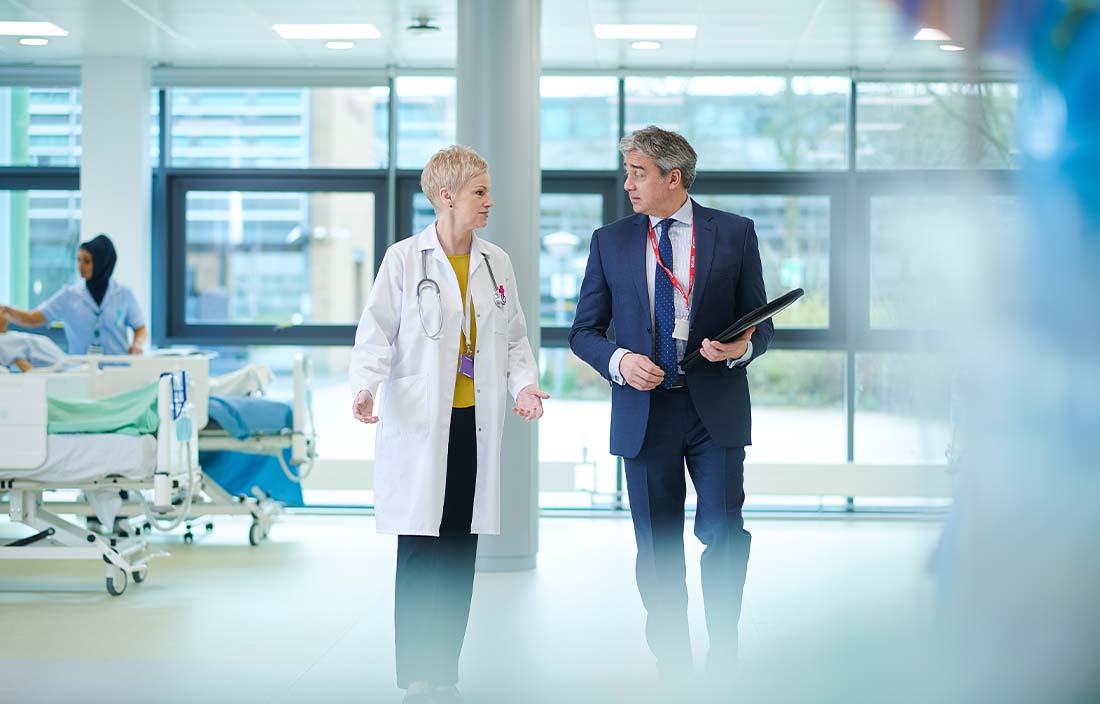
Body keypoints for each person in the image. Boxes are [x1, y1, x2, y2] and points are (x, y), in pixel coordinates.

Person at [569, 125, 774, 686]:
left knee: (724, 531)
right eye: (628, 172)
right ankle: (674, 664)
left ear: (673, 177)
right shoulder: (609, 240)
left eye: (638, 173)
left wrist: (742, 345)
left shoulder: (734, 233)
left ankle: (725, 653)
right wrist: (619, 362)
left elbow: (763, 323)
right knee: (657, 547)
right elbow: (583, 332)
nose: (628, 184)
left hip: (716, 412)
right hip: (645, 411)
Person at [349, 145, 548, 703]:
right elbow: (376, 334)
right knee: (419, 548)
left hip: (472, 426)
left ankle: (445, 667)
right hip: (418, 425)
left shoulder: (495, 262)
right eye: (479, 192)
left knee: (460, 549)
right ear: (447, 196)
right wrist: (364, 386)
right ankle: (416, 669)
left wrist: (524, 387)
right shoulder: (404, 259)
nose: (489, 202)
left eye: (487, 190)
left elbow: (513, 339)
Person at [0, 234, 146, 356]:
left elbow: (140, 328)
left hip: (118, 369)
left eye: (87, 261)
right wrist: (7, 310)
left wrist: (136, 345)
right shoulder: (69, 296)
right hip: (81, 371)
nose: (80, 266)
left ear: (103, 263)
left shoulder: (124, 295)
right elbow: (32, 319)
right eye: (78, 260)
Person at [0, 312, 64, 372]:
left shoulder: (11, 334)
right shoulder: (3, 341)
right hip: (58, 370)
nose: (3, 310)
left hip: (66, 363)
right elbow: (24, 366)